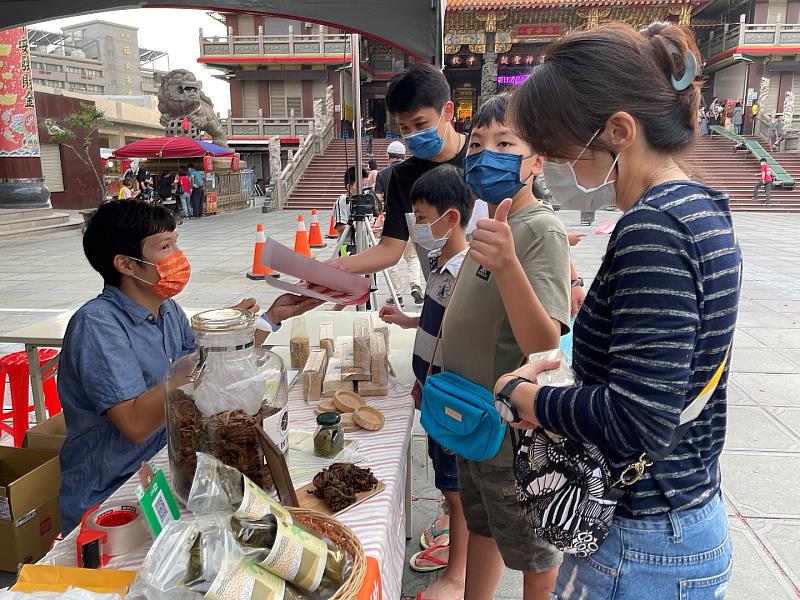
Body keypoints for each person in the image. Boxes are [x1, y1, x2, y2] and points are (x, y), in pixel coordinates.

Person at [496, 21, 740, 599]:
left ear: (620, 131)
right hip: (681, 511)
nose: (553, 168)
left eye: (558, 152)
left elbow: (639, 420)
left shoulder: (653, 228)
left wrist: (521, 395)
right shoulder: (700, 206)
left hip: (645, 538)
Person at [56, 200, 321, 533]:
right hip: (112, 496)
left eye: (176, 243)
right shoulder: (97, 326)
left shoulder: (168, 311)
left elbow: (207, 373)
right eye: (165, 247)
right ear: (126, 264)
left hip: (168, 474)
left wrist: (269, 318)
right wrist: (217, 338)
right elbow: (136, 423)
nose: (177, 257)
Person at [444, 93, 572, 600]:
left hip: (509, 427)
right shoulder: (489, 223)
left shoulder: (539, 228)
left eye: (505, 143)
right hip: (474, 413)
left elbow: (544, 342)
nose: (485, 153)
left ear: (536, 160)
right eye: (477, 144)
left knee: (532, 546)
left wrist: (507, 263)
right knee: (483, 525)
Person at [379, 165, 474, 600]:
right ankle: (453, 540)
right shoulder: (441, 265)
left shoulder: (466, 273)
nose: (415, 224)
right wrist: (406, 320)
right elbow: (438, 319)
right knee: (445, 479)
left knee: (456, 489)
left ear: (450, 218)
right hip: (432, 393)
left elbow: (463, 332)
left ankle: (458, 576)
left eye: (420, 214)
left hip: (449, 400)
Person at [331, 63, 468, 281]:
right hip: (440, 297)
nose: (413, 135)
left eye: (421, 124)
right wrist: (332, 267)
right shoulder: (403, 177)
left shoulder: (482, 158)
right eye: (405, 128)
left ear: (448, 111)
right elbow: (389, 249)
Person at [376, 141, 424, 307]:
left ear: (388, 157)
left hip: (392, 222)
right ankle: (416, 285)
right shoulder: (414, 173)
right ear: (404, 156)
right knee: (413, 257)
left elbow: (379, 200)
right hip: (414, 221)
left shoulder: (382, 175)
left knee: (390, 259)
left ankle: (397, 294)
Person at [333, 166, 370, 237]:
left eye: (365, 185)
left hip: (365, 243)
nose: (363, 188)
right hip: (349, 245)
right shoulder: (343, 200)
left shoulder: (366, 198)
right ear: (349, 187)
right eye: (360, 186)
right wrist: (356, 227)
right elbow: (340, 228)